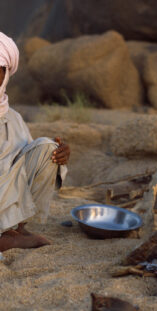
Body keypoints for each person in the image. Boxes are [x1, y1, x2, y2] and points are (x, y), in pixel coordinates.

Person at [0, 32, 70, 251]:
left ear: (6, 75)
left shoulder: (14, 118)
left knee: (46, 148)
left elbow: (29, 164)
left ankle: (14, 229)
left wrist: (59, 155)